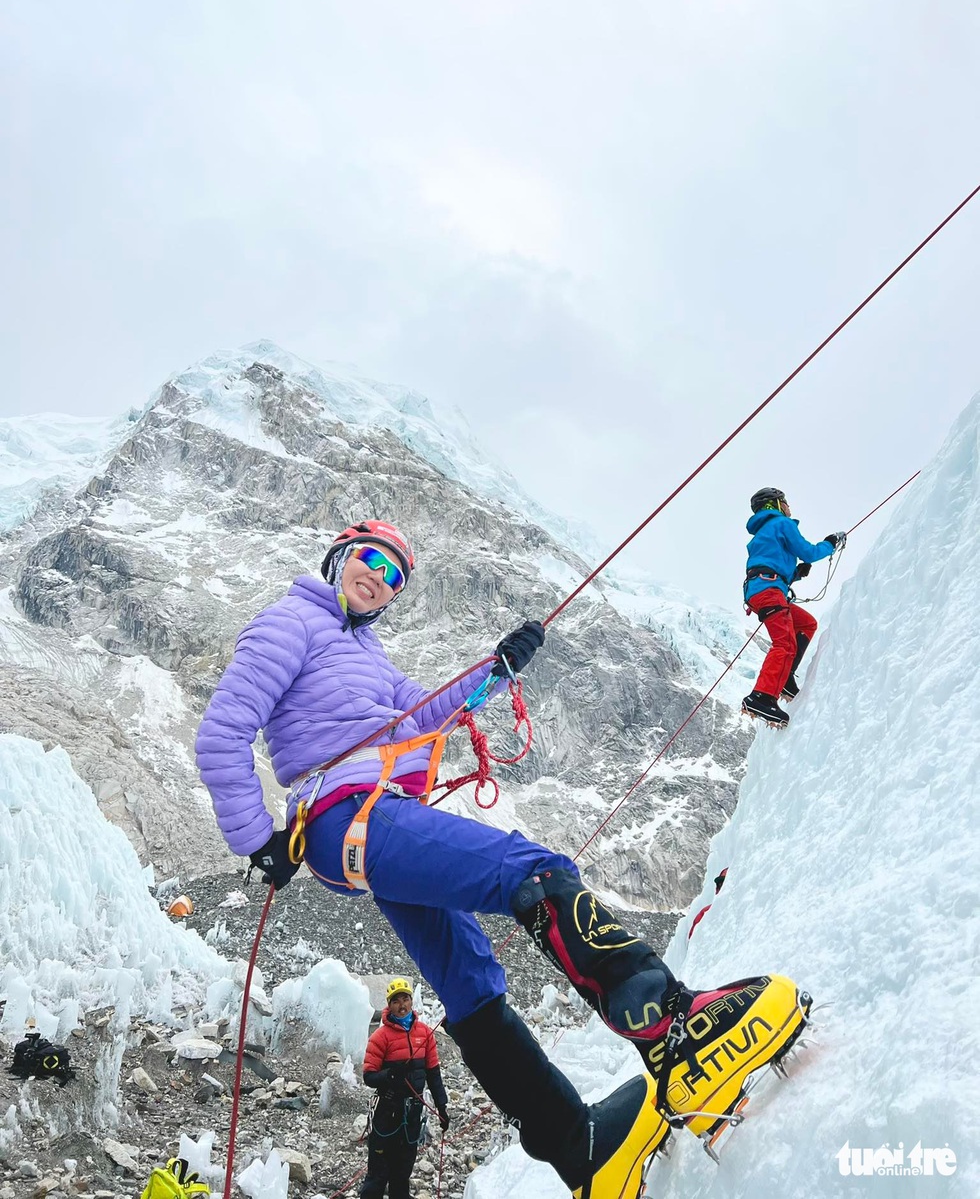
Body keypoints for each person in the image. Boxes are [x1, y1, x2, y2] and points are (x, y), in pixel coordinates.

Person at [196, 518, 812, 1198]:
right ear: (340, 556)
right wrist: (257, 839)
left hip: (375, 822)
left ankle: (580, 1150)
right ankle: (679, 1039)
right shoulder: (291, 623)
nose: (380, 579)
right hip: (350, 814)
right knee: (531, 869)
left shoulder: (366, 653)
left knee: (472, 983)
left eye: (395, 575)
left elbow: (426, 714)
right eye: (371, 559)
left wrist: (497, 669)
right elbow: (222, 731)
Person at [741, 487, 846, 728]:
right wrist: (830, 543)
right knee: (785, 643)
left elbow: (767, 562)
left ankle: (785, 677)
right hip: (769, 590)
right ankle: (762, 697)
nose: (789, 507)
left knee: (806, 624)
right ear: (775, 505)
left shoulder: (762, 533)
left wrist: (794, 574)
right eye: (785, 502)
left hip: (762, 589)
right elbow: (807, 551)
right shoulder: (782, 524)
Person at [360, 977, 449, 1199]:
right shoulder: (380, 1037)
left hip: (412, 1113)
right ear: (389, 1005)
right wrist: (389, 1075)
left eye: (405, 999)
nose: (402, 1005)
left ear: (411, 1002)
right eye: (396, 1001)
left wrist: (442, 1107)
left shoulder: (425, 1034)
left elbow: (433, 1073)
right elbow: (369, 1076)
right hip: (387, 1112)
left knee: (403, 1170)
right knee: (378, 1172)